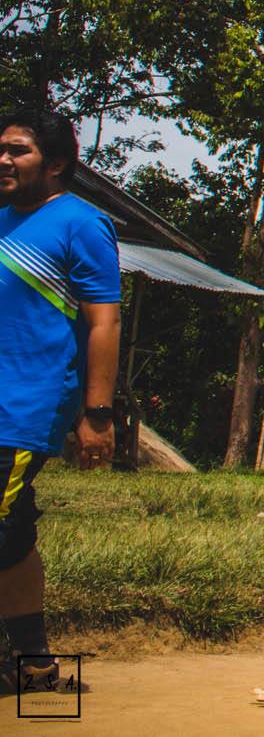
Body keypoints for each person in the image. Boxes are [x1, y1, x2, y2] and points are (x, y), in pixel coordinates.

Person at [0, 110, 120, 690]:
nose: (3, 160)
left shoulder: (82, 223)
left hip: (24, 410)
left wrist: (97, 415)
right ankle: (36, 667)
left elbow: (103, 323)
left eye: (17, 150)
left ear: (55, 164)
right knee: (13, 535)